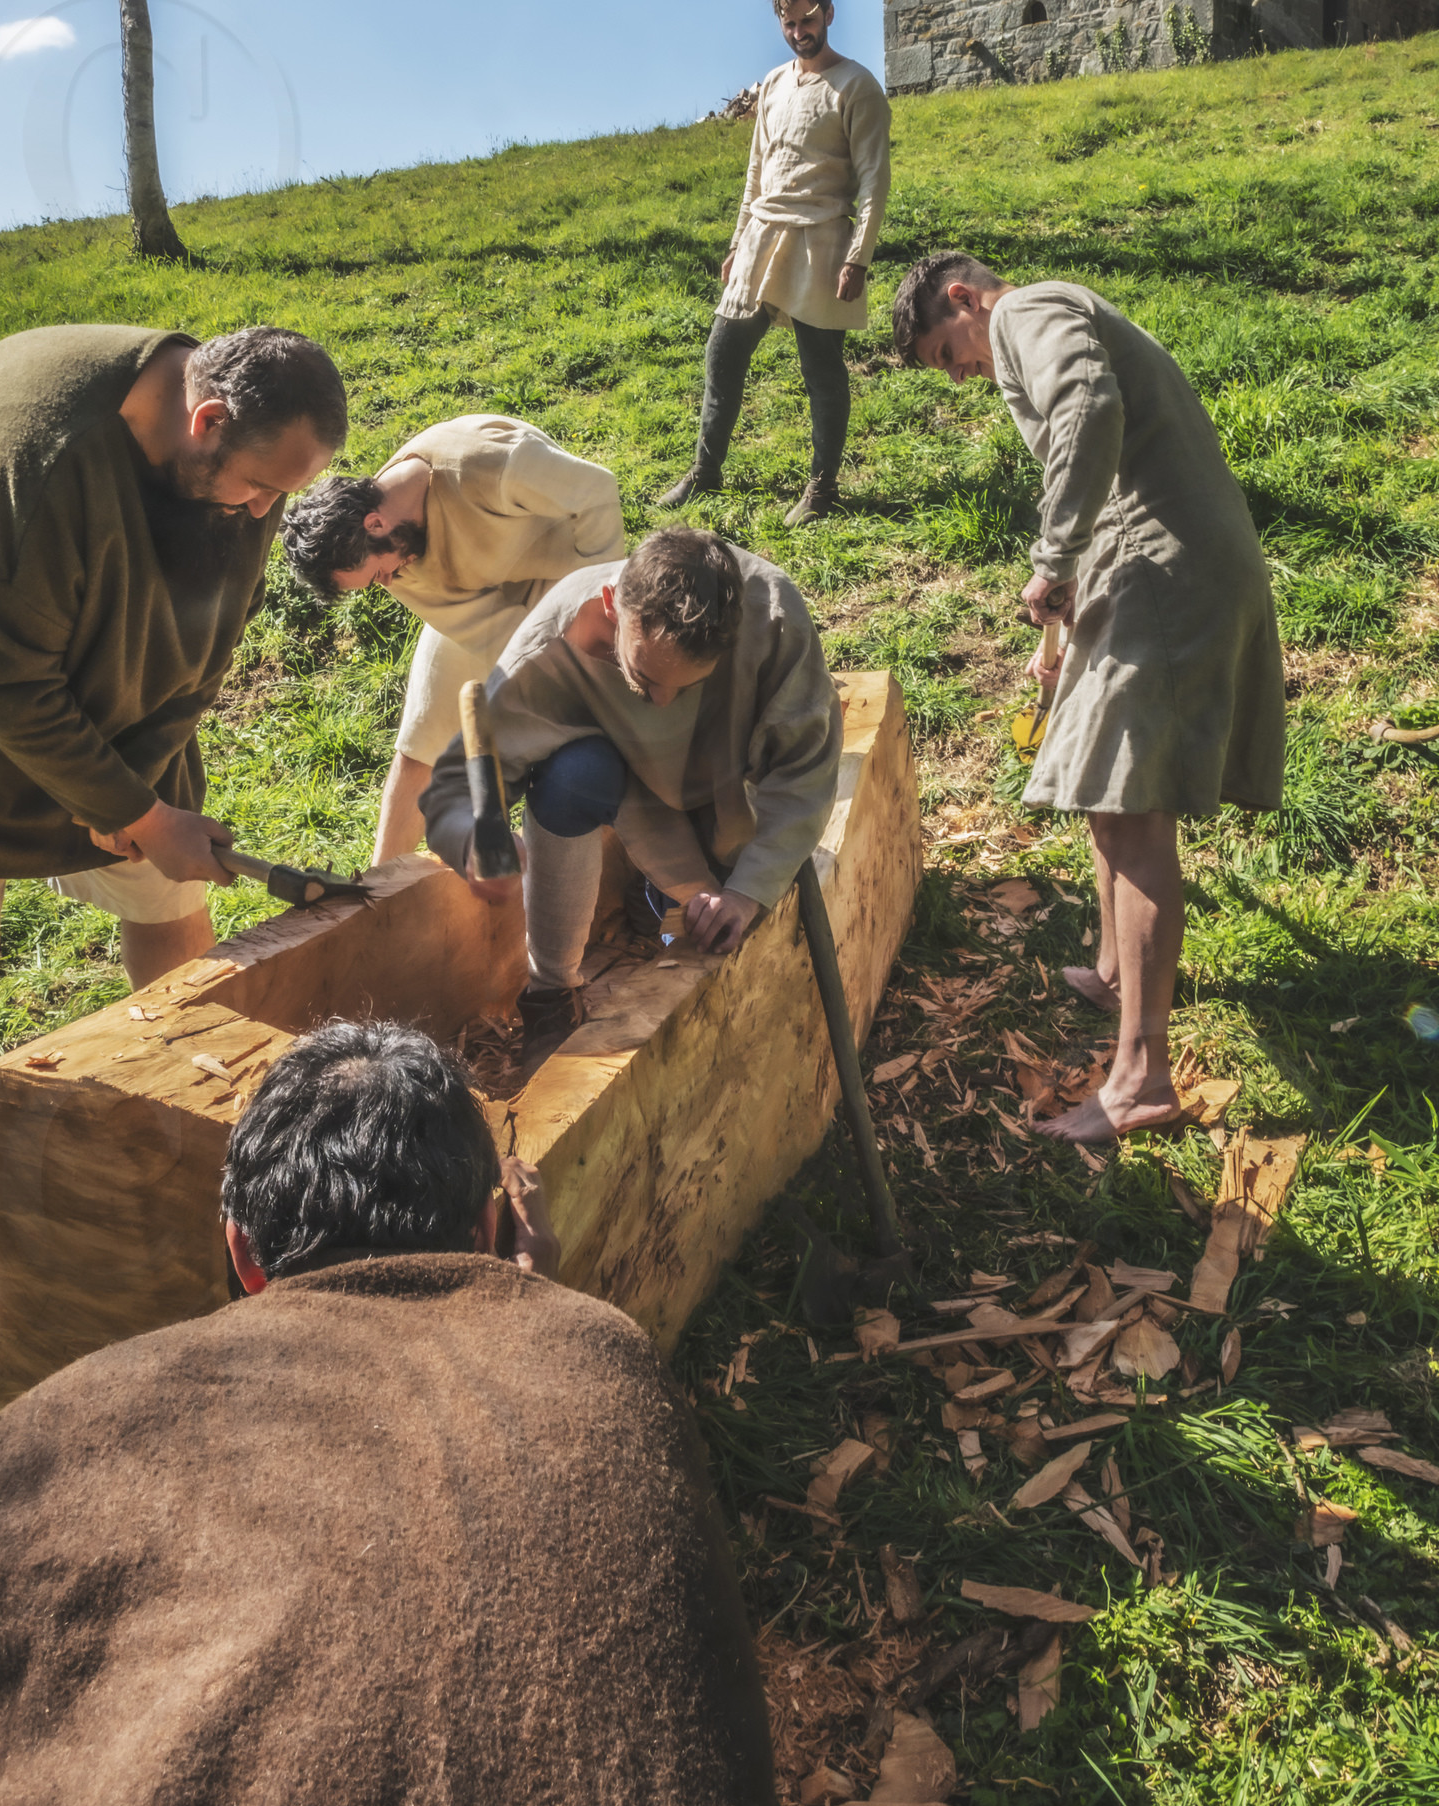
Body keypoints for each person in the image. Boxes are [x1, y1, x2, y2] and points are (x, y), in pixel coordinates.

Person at [0, 1022, 794, 1806]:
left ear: (242, 1254)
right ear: (495, 1224)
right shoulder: (604, 1349)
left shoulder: (92, 1405)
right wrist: (537, 1298)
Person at [0, 323, 346, 1335]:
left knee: (171, 902)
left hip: (106, 693)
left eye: (283, 493)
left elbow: (209, 647)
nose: (265, 514)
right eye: (257, 489)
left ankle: (204, 1143)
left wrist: (141, 797)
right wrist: (128, 808)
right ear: (205, 421)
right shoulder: (42, 451)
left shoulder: (239, 472)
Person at [893, 254, 1286, 1145]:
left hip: (1165, 565)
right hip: (1146, 563)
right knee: (1107, 785)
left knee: (1130, 807)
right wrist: (1064, 621)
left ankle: (1141, 1076)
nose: (962, 374)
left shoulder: (1027, 310)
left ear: (963, 299)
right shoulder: (1046, 317)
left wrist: (1053, 558)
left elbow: (1088, 409)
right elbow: (1090, 450)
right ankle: (1116, 969)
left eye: (950, 354)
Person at [421, 525, 842, 1064]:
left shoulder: (774, 614)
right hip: (635, 798)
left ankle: (664, 902)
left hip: (734, 804)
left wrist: (748, 889)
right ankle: (551, 993)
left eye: (687, 684)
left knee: (707, 924)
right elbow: (453, 788)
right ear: (611, 606)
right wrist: (473, 841)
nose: (662, 702)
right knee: (574, 774)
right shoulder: (548, 642)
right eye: (646, 675)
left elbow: (805, 768)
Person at [280, 415, 625, 861]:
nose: (386, 582)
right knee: (424, 741)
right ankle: (383, 889)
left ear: (374, 523)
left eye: (378, 573)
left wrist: (597, 607)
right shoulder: (397, 564)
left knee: (582, 735)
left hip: (572, 577)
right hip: (485, 594)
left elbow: (596, 492)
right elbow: (491, 631)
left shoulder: (486, 462)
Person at [659, 0, 891, 525]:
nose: (798, 31)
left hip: (822, 239)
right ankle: (705, 470)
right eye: (788, 22)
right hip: (762, 237)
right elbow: (757, 172)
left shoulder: (857, 86)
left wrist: (859, 255)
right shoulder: (772, 85)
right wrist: (738, 242)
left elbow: (873, 178)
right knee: (723, 354)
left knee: (822, 371)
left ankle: (822, 487)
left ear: (829, 15)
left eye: (808, 19)